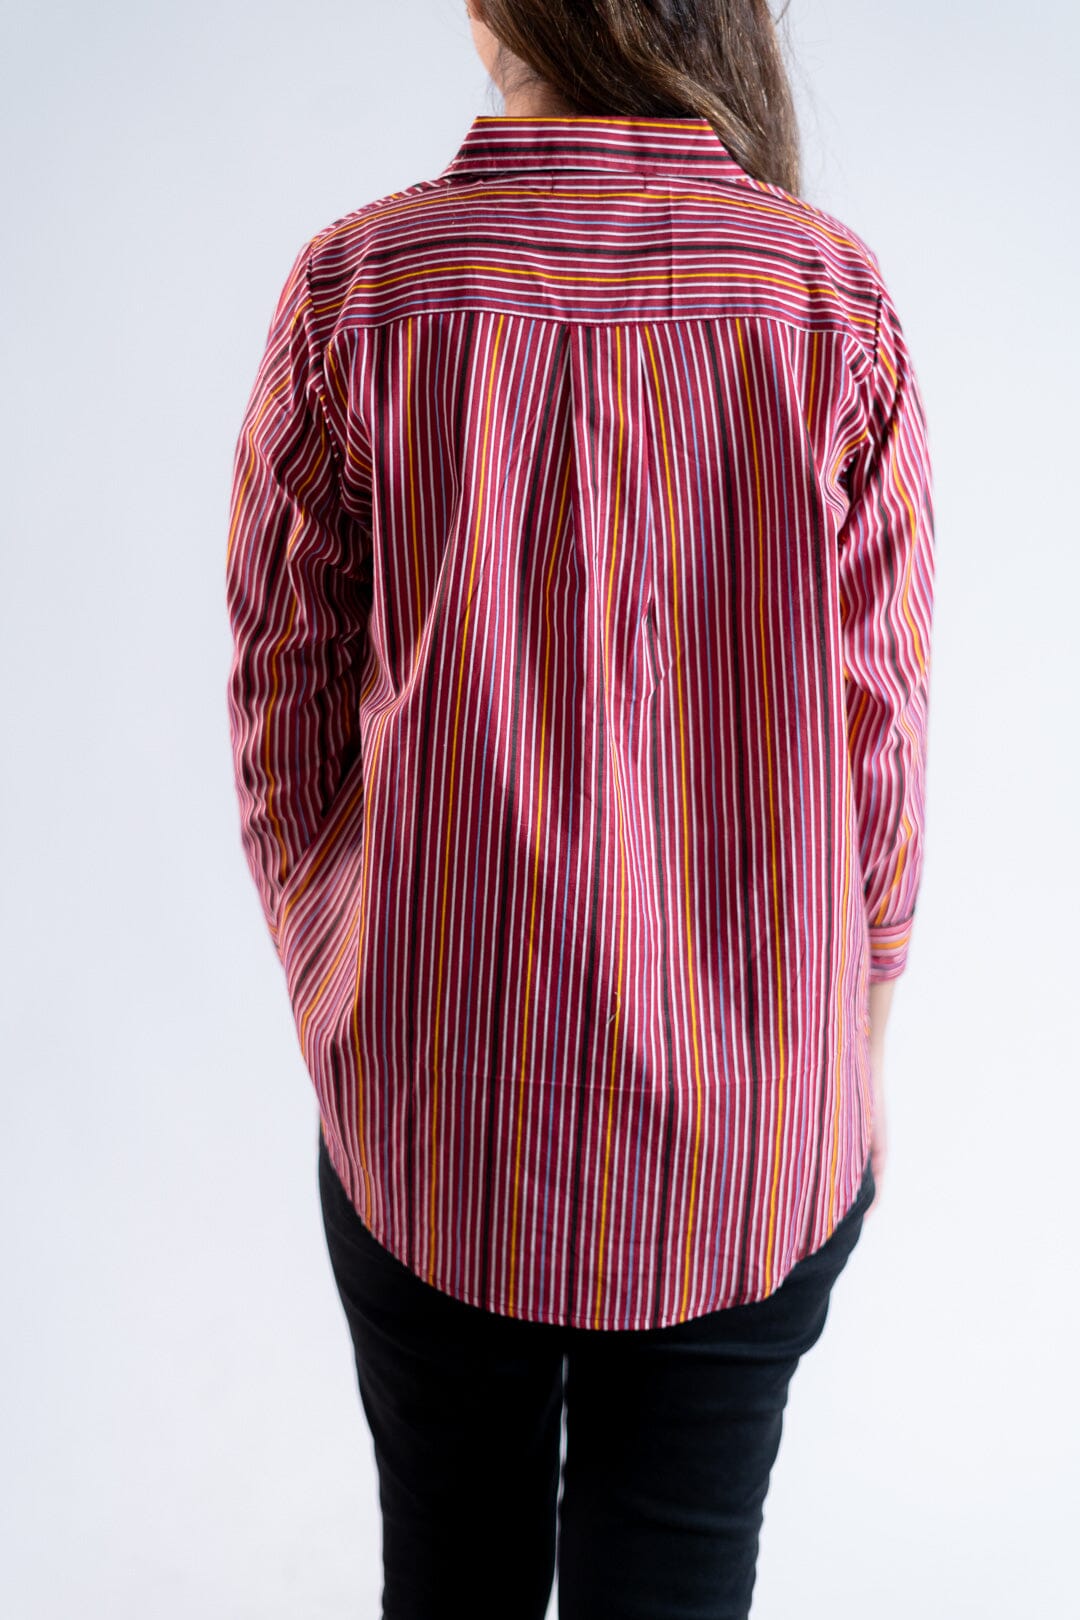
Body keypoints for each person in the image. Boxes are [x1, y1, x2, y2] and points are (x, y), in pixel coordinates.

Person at [224, 2, 936, 1615]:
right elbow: (881, 731)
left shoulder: (363, 290)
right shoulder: (829, 299)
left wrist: (345, 981)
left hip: (429, 1116)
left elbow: (281, 692)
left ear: (495, 16)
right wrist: (855, 1048)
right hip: (752, 1128)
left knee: (450, 1577)